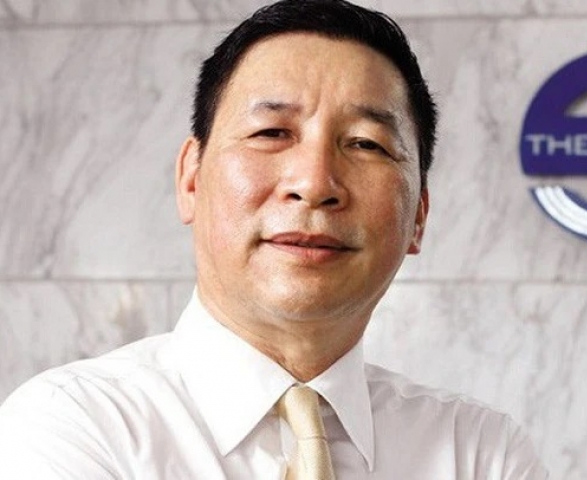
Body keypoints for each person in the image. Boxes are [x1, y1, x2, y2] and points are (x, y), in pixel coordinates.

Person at [0, 0, 548, 478]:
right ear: (191, 178)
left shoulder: (480, 453)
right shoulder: (71, 426)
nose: (314, 183)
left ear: (419, 216)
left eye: (366, 144)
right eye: (271, 132)